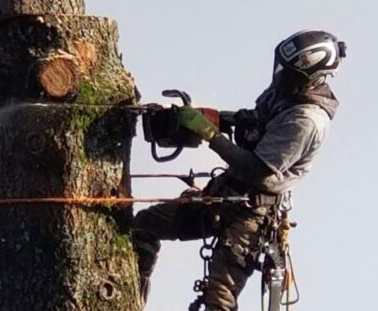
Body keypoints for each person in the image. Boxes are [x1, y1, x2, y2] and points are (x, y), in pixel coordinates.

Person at [133, 30, 346, 311]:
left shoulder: (306, 120)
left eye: (289, 73)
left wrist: (209, 134)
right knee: (145, 226)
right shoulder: (285, 92)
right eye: (281, 68)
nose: (280, 76)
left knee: (219, 299)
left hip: (252, 216)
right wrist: (219, 119)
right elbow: (255, 122)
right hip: (226, 194)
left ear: (312, 76)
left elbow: (256, 170)